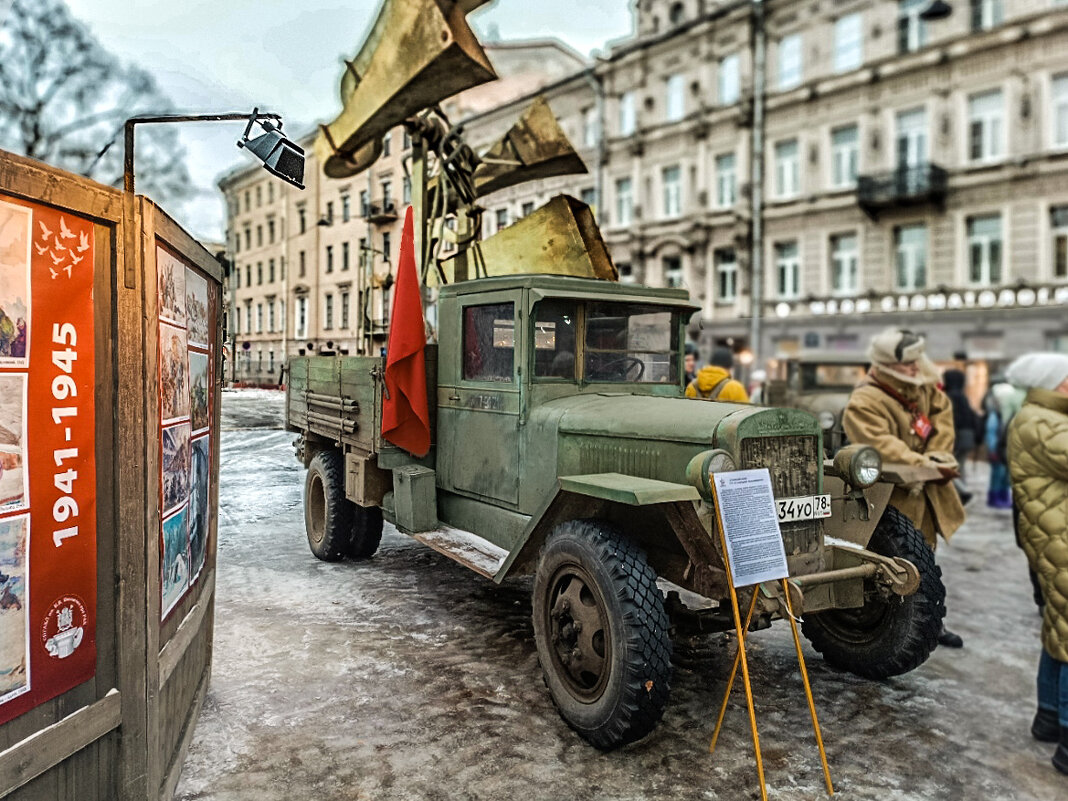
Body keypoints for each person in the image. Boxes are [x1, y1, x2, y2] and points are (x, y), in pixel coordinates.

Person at [842, 328, 966, 648]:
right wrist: (922, 463)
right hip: (890, 499)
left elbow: (942, 414)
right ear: (886, 366)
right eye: (908, 363)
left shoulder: (921, 387)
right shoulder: (865, 399)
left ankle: (928, 624)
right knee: (895, 564)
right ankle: (896, 632)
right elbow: (878, 443)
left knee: (925, 557)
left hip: (925, 493)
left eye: (916, 361)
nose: (916, 367)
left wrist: (937, 454)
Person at [1004, 352, 1068, 776]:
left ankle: (1048, 715)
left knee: (1058, 625)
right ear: (1055, 383)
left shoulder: (1041, 416)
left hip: (1055, 535)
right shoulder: (1043, 422)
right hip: (1059, 538)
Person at [943, 369, 980, 505]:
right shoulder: (963, 396)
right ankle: (959, 493)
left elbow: (953, 420)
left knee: (950, 467)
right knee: (960, 465)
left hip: (957, 437)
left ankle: (962, 492)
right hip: (968, 436)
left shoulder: (950, 396)